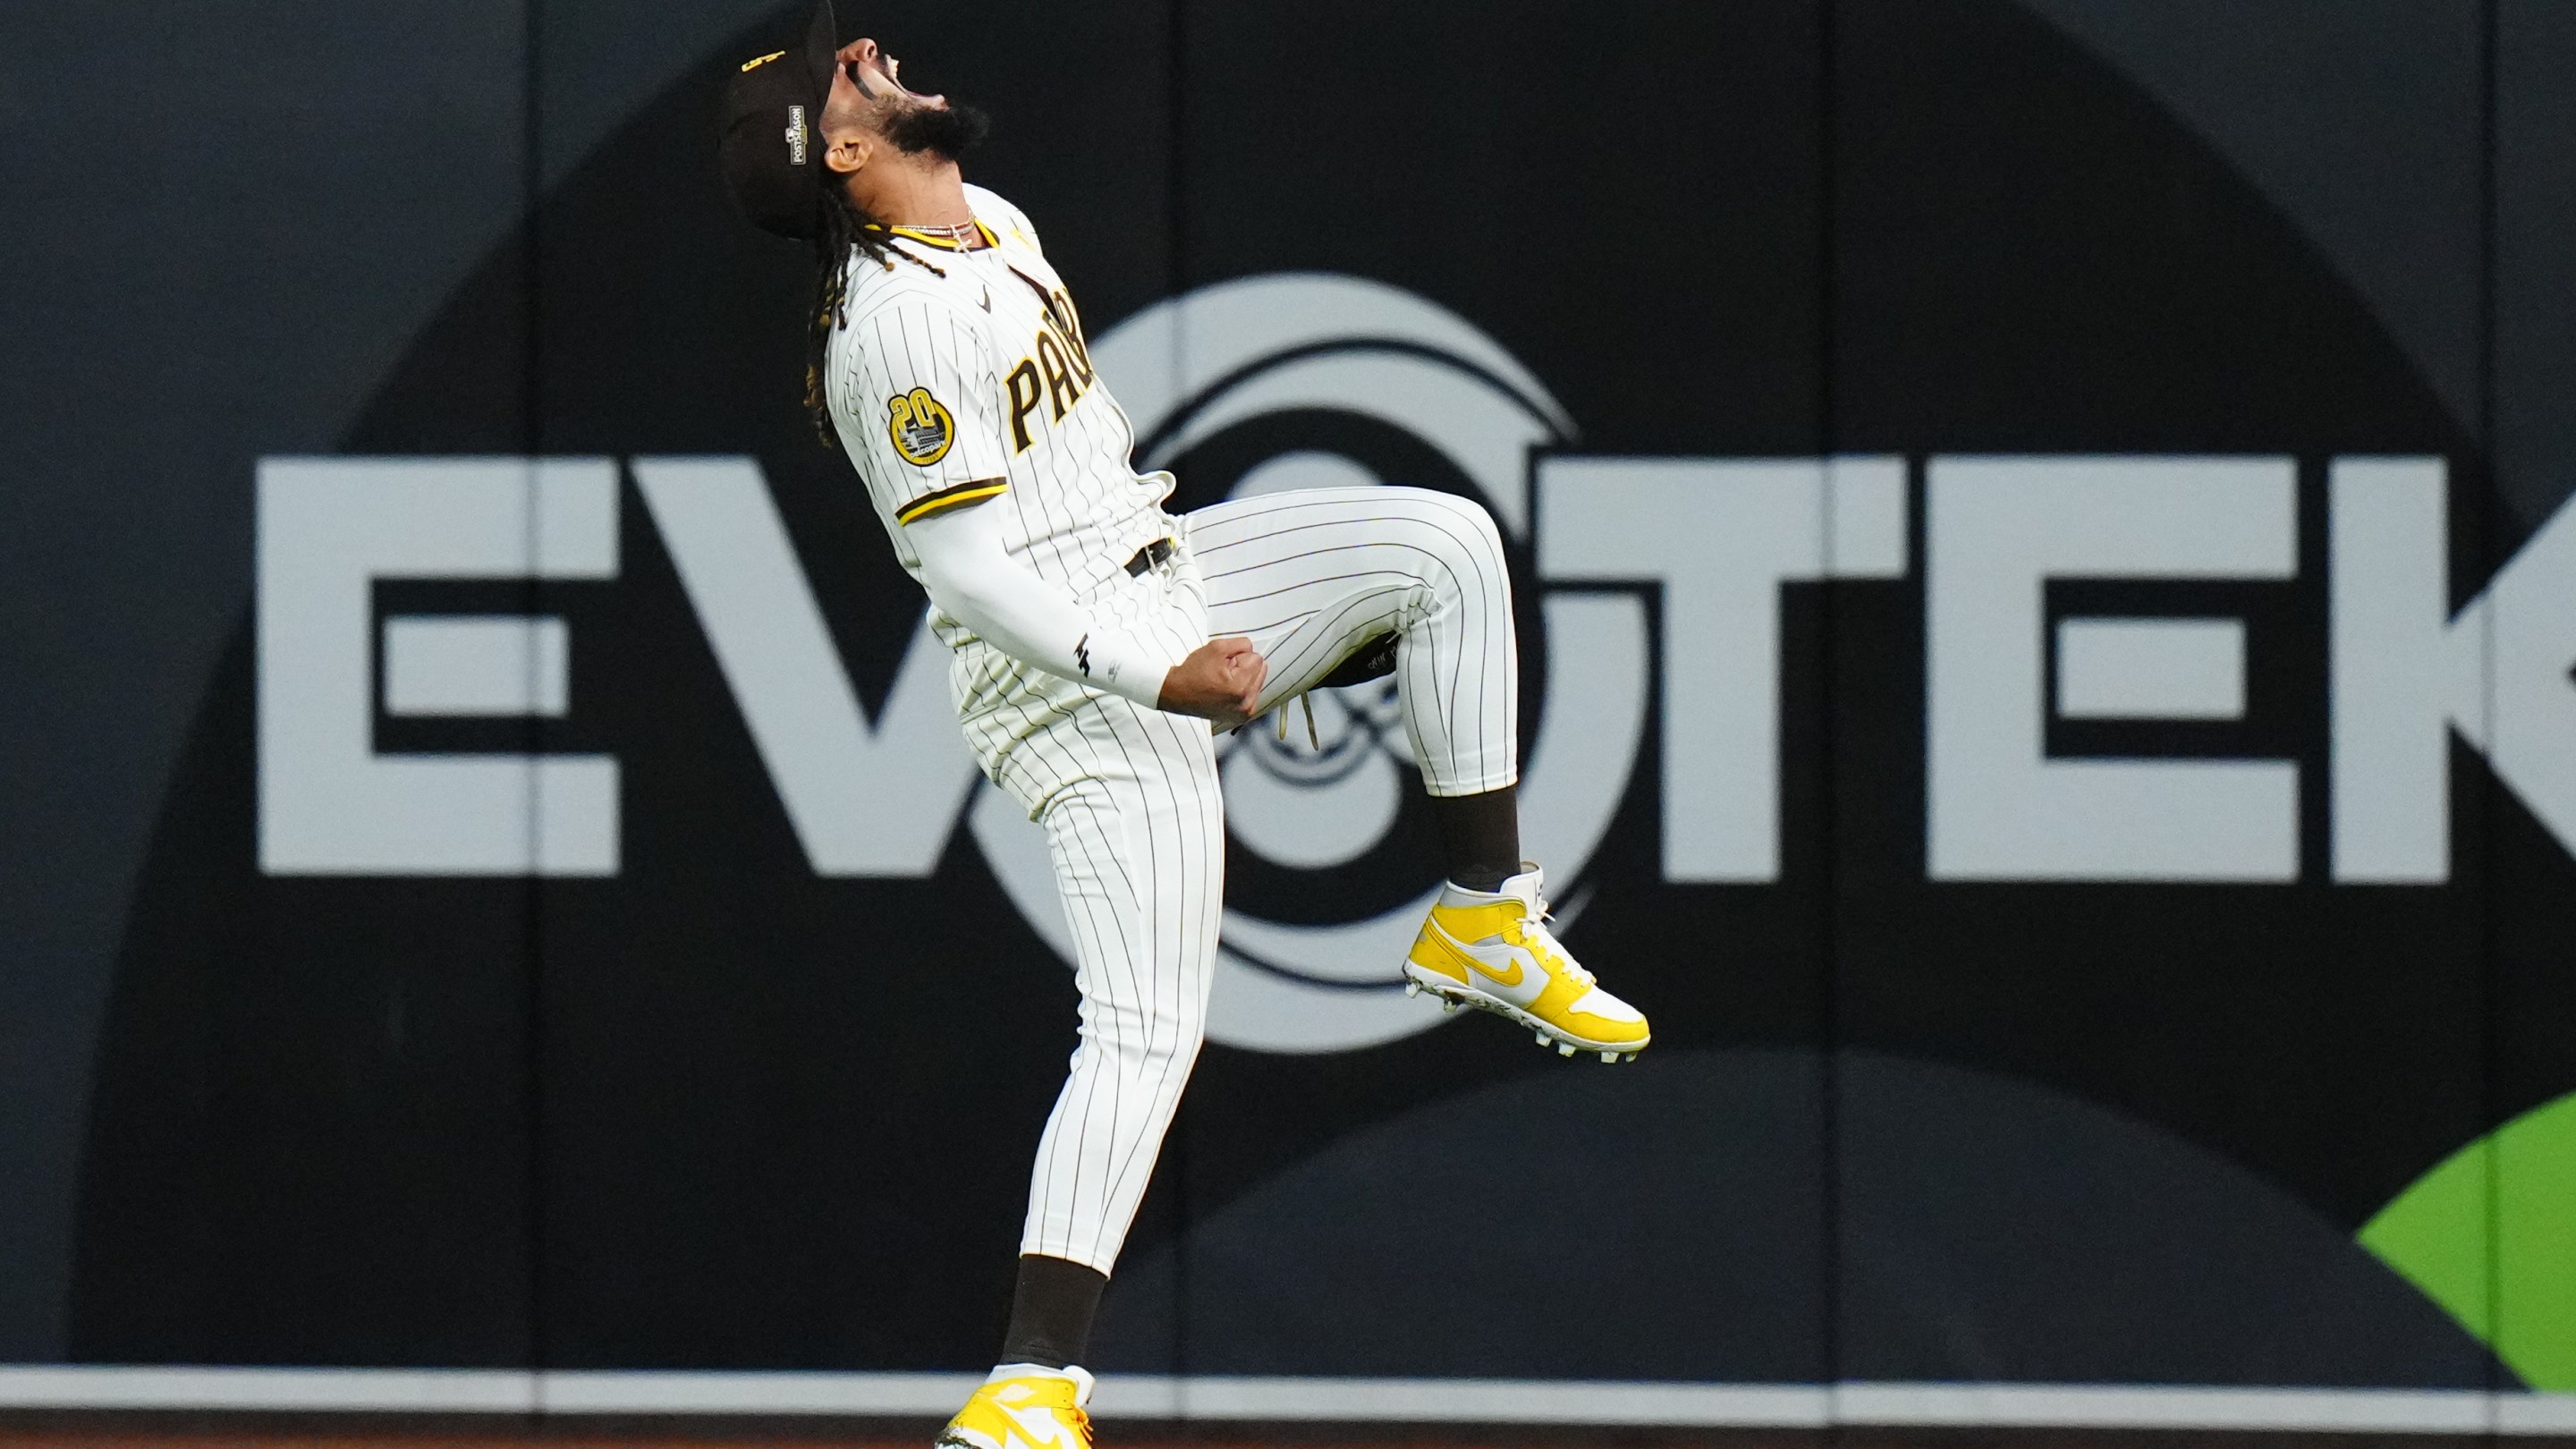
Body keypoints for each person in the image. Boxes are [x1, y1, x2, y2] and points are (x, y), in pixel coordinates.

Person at [716, 7, 1649, 1440]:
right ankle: (1033, 1380)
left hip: (1169, 569)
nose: (874, 52)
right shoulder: (894, 333)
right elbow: (971, 571)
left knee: (1446, 548)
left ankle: (1482, 911)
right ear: (843, 147)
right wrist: (1159, 677)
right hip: (1067, 679)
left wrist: (1199, 637)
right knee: (1144, 1028)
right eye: (849, 71)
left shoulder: (984, 220)